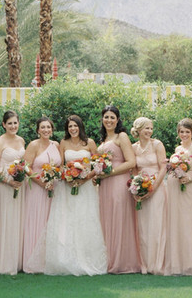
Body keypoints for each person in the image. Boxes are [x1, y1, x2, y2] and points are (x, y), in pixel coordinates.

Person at [42, 115, 107, 276]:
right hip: (67, 187)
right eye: (70, 126)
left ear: (80, 127)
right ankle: (66, 259)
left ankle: (87, 257)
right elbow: (61, 164)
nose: (72, 129)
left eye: (75, 126)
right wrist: (68, 177)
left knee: (85, 219)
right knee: (68, 220)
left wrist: (86, 177)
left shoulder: (90, 143)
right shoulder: (63, 143)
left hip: (86, 188)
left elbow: (99, 164)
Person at [96, 105, 142, 273]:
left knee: (119, 218)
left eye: (112, 117)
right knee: (107, 218)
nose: (108, 120)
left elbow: (131, 162)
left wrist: (110, 173)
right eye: (106, 117)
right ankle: (108, 259)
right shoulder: (102, 140)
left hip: (118, 182)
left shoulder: (121, 136)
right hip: (105, 184)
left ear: (117, 120)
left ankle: (122, 261)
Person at [164, 118, 192, 276]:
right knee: (178, 224)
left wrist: (189, 179)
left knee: (189, 224)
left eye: (187, 132)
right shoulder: (177, 148)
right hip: (176, 189)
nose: (184, 134)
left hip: (190, 189)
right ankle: (178, 264)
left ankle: (191, 264)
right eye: (181, 132)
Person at [22, 116, 61, 273]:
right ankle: (33, 261)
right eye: (43, 127)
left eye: (48, 127)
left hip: (54, 188)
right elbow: (26, 167)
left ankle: (49, 259)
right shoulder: (33, 145)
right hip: (37, 189)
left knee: (51, 222)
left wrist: (53, 179)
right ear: (38, 130)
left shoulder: (56, 145)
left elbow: (60, 166)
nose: (46, 130)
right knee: (37, 221)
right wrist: (42, 182)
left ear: (52, 129)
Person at [0, 110, 26, 275]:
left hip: (20, 187)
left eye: (15, 123)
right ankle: (3, 263)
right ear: (4, 124)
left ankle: (16, 261)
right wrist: (8, 181)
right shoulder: (0, 141)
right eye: (9, 123)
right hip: (4, 187)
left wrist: (20, 176)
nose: (13, 126)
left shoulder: (22, 140)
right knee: (5, 221)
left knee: (18, 221)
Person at [130, 117, 167, 275]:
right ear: (138, 130)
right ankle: (144, 263)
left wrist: (153, 188)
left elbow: (163, 167)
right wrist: (136, 187)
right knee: (143, 227)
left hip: (156, 187)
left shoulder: (157, 144)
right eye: (146, 128)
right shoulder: (133, 147)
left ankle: (157, 263)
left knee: (156, 224)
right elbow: (133, 169)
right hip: (140, 188)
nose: (149, 132)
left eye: (151, 128)